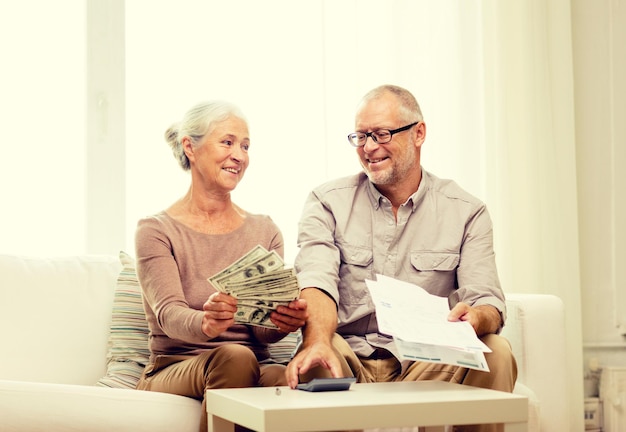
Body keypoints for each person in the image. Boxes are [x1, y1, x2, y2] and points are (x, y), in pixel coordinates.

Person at [285, 85, 517, 432]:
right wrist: (317, 341)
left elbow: (487, 301)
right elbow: (315, 280)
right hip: (350, 356)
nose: (368, 148)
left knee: (496, 351)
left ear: (418, 133)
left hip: (427, 359)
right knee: (320, 354)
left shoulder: (467, 211)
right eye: (361, 136)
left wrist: (477, 317)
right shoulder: (327, 201)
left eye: (381, 134)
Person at [134, 100, 307, 432]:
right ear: (191, 147)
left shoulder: (264, 230)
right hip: (177, 365)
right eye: (227, 142)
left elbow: (261, 332)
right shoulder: (156, 229)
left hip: (251, 362)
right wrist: (207, 324)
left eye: (245, 146)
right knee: (237, 357)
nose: (239, 155)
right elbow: (168, 315)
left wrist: (283, 321)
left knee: (298, 377)